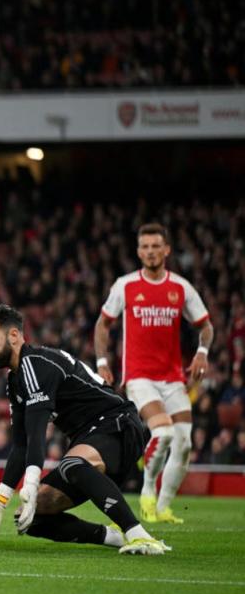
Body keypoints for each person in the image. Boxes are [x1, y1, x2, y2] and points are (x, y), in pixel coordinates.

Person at [0, 304, 169, 555]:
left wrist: (30, 483)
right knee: (30, 517)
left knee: (72, 464)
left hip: (119, 424)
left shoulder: (36, 364)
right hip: (90, 437)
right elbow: (22, 444)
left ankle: (140, 536)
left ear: (14, 336)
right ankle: (112, 537)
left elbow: (38, 433)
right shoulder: (15, 383)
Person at [94, 223, 213, 523]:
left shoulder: (181, 288)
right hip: (139, 376)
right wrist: (101, 362)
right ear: (138, 251)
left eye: (155, 246)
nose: (150, 251)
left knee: (184, 443)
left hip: (173, 378)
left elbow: (206, 326)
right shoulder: (125, 285)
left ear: (166, 250)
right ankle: (147, 494)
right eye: (144, 247)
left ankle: (164, 507)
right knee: (163, 432)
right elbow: (102, 324)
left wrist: (202, 352)